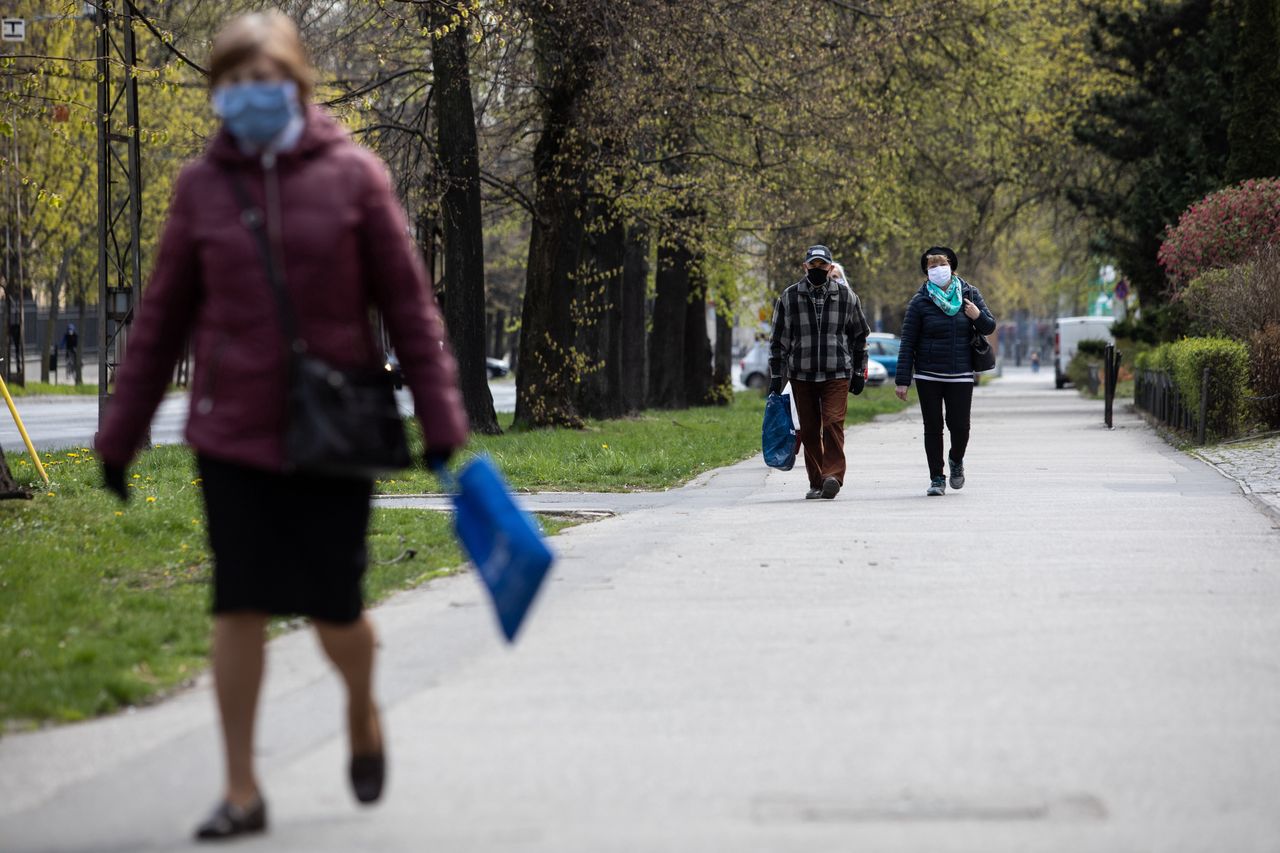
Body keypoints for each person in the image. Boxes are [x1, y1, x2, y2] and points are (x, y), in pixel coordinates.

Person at [94, 11, 467, 841]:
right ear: (216, 95)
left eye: (263, 82)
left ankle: (363, 709)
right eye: (231, 84)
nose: (247, 97)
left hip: (334, 428)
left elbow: (408, 307)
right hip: (233, 433)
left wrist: (441, 418)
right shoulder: (200, 188)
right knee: (240, 603)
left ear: (296, 85)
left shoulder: (354, 177)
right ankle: (240, 788)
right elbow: (160, 320)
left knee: (337, 606)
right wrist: (120, 433)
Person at [768, 244, 871, 499]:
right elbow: (778, 340)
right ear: (805, 267)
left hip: (836, 372)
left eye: (822, 265)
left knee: (833, 422)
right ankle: (817, 482)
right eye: (812, 265)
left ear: (830, 267)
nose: (817, 269)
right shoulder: (789, 297)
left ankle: (833, 475)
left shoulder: (847, 297)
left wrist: (859, 371)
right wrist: (775, 377)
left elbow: (860, 336)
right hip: (801, 374)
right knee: (810, 429)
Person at [894, 246, 996, 496]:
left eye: (942, 265)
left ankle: (956, 460)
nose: (938, 270)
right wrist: (902, 380)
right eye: (932, 267)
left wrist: (976, 314)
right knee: (933, 427)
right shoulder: (919, 302)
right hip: (928, 374)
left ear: (952, 267)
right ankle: (937, 478)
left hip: (961, 372)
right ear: (926, 272)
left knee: (960, 427)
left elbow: (989, 326)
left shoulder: (970, 294)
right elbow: (908, 341)